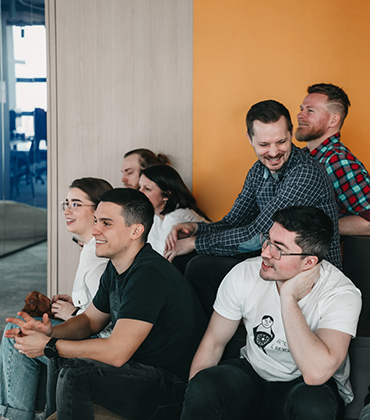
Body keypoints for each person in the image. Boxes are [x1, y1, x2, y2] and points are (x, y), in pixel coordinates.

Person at [5, 188, 207, 420]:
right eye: (96, 221)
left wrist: (50, 344)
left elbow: (117, 352)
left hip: (168, 388)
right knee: (60, 353)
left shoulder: (149, 274)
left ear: (136, 231)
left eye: (106, 223)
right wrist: (51, 332)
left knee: (75, 371)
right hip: (136, 373)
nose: (95, 230)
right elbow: (90, 320)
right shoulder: (118, 265)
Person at [180, 206, 361, 420]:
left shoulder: (341, 293)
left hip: (305, 384)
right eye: (268, 240)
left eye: (279, 249)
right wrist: (196, 394)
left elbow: (316, 374)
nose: (265, 252)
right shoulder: (244, 274)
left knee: (314, 406)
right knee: (205, 385)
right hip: (252, 374)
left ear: (309, 262)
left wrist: (288, 298)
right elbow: (213, 343)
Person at [165, 99, 342, 317]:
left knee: (201, 267)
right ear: (250, 139)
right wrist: (195, 229)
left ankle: (213, 336)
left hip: (308, 269)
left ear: (291, 133)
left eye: (281, 142)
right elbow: (233, 221)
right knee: (181, 260)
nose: (274, 152)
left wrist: (195, 243)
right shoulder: (258, 171)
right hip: (275, 259)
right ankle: (187, 336)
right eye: (264, 145)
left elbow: (256, 234)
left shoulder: (306, 173)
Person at [0, 177, 113, 420]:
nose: (67, 210)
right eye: (66, 203)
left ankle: (15, 416)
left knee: (16, 332)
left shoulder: (96, 257)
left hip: (99, 346)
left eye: (76, 204)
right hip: (91, 333)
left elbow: (113, 323)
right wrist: (77, 304)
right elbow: (102, 302)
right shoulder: (91, 248)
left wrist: (72, 314)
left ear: (99, 211)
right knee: (24, 327)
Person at [296, 83, 370, 235]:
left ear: (333, 120)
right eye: (301, 109)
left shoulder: (338, 161)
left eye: (310, 110)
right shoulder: (301, 157)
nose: (300, 115)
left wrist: (313, 231)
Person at [139, 164, 209, 256]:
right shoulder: (156, 215)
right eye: (139, 187)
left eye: (147, 189)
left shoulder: (178, 218)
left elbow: (164, 259)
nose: (140, 192)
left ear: (166, 195)